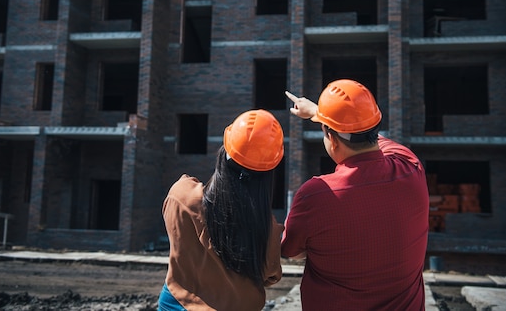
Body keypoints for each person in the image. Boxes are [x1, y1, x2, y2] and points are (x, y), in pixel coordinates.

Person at [282, 79, 429, 310]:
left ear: (330, 138)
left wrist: (318, 114)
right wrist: (321, 114)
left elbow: (289, 250)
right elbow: (376, 140)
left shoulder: (316, 195)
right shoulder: (411, 167)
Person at [158, 109, 285, 311]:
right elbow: (270, 275)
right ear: (269, 173)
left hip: (176, 303)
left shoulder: (180, 195)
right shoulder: (266, 229)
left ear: (224, 150)